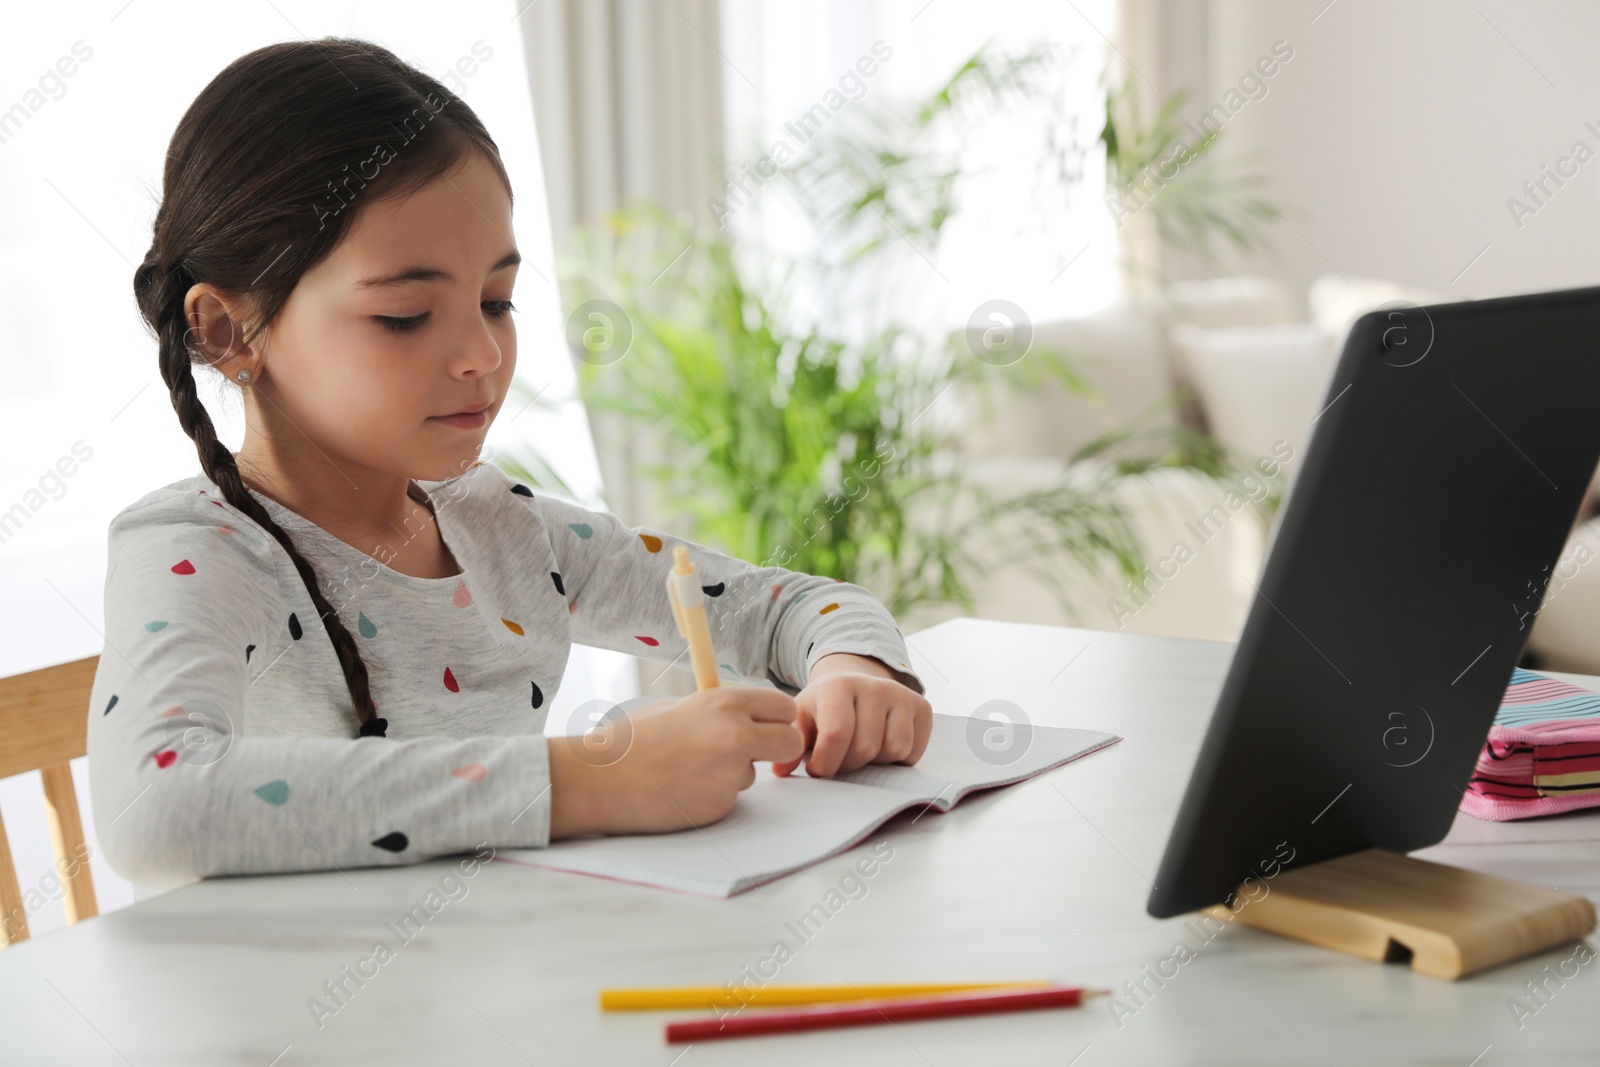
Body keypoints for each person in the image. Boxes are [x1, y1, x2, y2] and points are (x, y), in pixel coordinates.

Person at [90, 37, 930, 888]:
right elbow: (149, 811)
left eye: (498, 300)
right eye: (407, 314)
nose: (482, 354)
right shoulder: (195, 553)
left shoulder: (501, 527)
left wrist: (850, 669)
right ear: (227, 332)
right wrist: (601, 777)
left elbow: (785, 606)